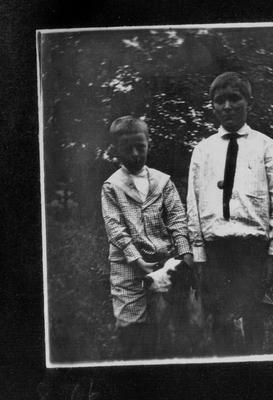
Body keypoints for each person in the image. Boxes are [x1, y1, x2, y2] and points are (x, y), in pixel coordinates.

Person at [186, 72, 273, 355]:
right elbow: (193, 203)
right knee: (219, 317)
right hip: (216, 247)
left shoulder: (266, 146)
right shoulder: (203, 150)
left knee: (254, 314)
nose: (228, 106)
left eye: (235, 98)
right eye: (220, 101)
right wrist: (198, 253)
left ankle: (256, 367)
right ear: (212, 106)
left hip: (253, 248)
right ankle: (227, 369)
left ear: (249, 103)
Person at [101, 115, 193, 359]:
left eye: (140, 147)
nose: (134, 154)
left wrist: (184, 252)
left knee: (166, 321)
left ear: (148, 144)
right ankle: (132, 367)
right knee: (131, 324)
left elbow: (177, 218)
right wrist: (134, 257)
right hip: (127, 267)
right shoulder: (112, 186)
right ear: (115, 150)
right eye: (126, 148)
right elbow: (115, 227)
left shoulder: (163, 182)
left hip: (163, 263)